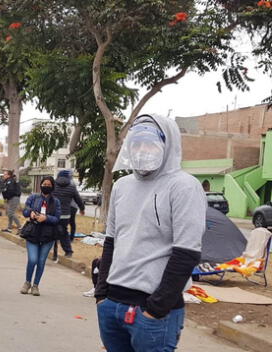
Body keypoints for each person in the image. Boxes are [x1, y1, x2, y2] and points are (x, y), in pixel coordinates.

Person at [95, 114, 206, 352]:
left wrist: (155, 309)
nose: (141, 150)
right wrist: (102, 295)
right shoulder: (122, 185)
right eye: (136, 143)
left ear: (168, 144)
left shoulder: (184, 186)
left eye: (150, 143)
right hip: (112, 305)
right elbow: (111, 242)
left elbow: (186, 253)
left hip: (152, 313)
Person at [20, 176, 61, 296]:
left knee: (41, 261)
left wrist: (46, 218)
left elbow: (57, 218)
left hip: (48, 235)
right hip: (33, 232)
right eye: (44, 184)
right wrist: (31, 213)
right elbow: (25, 211)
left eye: (49, 185)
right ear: (40, 185)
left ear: (52, 187)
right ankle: (27, 282)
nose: (46, 186)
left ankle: (35, 285)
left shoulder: (56, 201)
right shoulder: (34, 197)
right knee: (32, 260)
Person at [51, 169, 85, 260]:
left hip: (53, 214)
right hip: (65, 215)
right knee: (64, 232)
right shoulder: (72, 187)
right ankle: (68, 251)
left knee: (51, 232)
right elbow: (78, 200)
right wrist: (82, 209)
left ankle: (53, 252)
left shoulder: (52, 185)